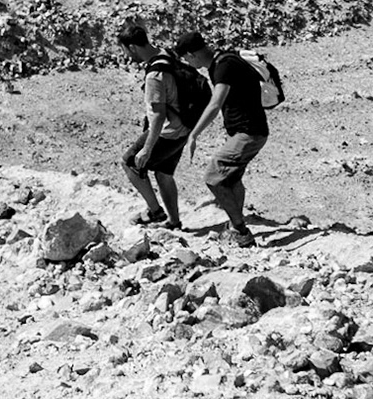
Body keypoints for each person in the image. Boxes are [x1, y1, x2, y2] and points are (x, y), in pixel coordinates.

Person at [179, 32, 269, 246]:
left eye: (186, 59)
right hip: (251, 130)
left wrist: (194, 134)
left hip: (249, 132)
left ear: (191, 55)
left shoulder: (223, 67)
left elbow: (216, 102)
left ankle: (241, 230)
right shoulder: (225, 60)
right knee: (232, 179)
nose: (189, 64)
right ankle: (235, 226)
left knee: (213, 176)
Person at [114, 19, 187, 228]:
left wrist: (147, 148)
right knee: (164, 173)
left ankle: (155, 212)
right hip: (185, 126)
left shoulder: (155, 75)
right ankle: (174, 221)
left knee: (130, 163)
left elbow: (158, 116)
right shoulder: (167, 54)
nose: (127, 56)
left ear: (133, 47)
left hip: (169, 130)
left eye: (126, 51)